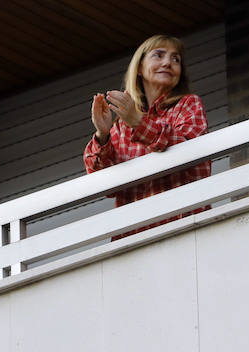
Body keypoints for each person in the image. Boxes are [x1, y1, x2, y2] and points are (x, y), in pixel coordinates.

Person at [83, 35, 211, 226]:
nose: (168, 62)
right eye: (159, 55)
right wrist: (103, 134)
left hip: (185, 227)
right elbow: (104, 186)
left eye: (176, 59)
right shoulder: (121, 126)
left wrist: (139, 122)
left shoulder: (188, 104)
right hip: (136, 236)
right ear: (140, 68)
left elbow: (190, 154)